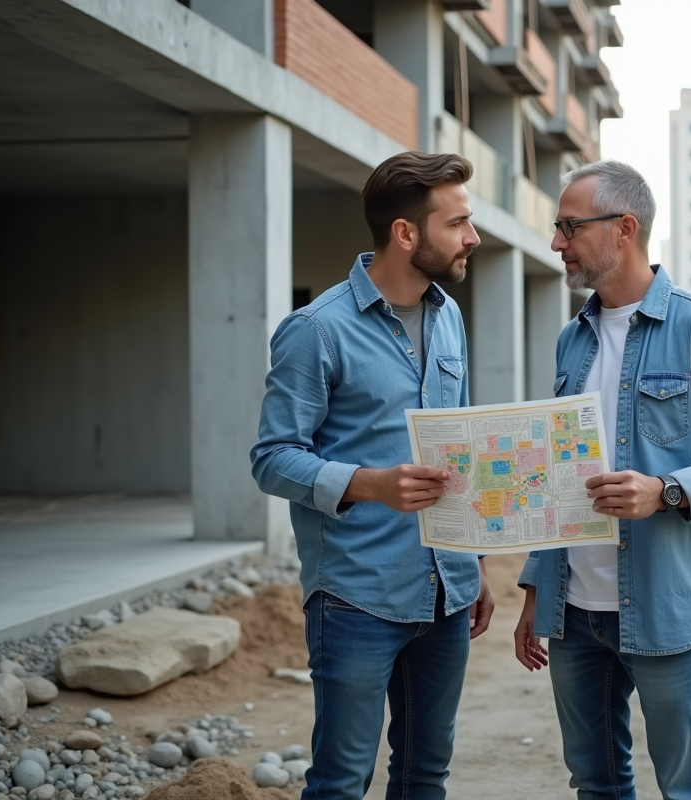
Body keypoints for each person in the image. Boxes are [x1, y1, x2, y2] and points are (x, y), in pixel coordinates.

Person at [513, 160, 691, 800]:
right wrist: (533, 588)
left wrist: (666, 491)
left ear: (624, 228)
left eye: (569, 227)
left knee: (688, 784)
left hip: (666, 605)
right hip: (574, 611)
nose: (556, 243)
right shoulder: (569, 343)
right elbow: (555, 474)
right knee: (595, 782)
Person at [251, 151, 494, 800]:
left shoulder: (450, 318)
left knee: (425, 775)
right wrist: (369, 483)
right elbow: (271, 458)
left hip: (447, 591)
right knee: (340, 782)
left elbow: (458, 452)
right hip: (357, 595)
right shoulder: (315, 331)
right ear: (405, 233)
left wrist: (477, 564)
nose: (473, 237)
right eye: (459, 223)